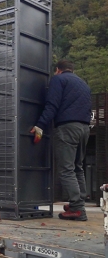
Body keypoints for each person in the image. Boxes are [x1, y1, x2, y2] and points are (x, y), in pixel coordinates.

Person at [31, 60, 91, 221]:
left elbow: (52, 105)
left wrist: (40, 125)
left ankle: (77, 209)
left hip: (67, 128)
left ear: (58, 70)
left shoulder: (58, 79)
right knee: (78, 168)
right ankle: (77, 204)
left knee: (66, 169)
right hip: (85, 128)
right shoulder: (83, 84)